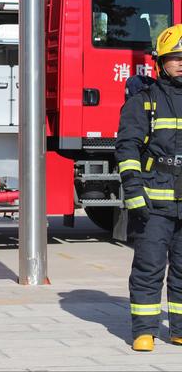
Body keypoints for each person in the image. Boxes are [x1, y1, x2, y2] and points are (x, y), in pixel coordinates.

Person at [115, 23, 182, 352]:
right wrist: (134, 194)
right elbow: (127, 150)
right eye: (175, 57)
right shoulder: (144, 101)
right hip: (154, 202)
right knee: (149, 266)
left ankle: (179, 329)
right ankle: (144, 330)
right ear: (160, 62)